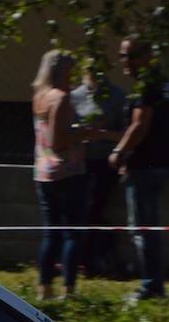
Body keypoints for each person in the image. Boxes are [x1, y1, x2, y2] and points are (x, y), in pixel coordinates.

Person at [30, 50, 111, 303]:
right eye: (70, 70)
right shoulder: (61, 97)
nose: (73, 75)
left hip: (43, 172)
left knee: (51, 234)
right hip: (68, 172)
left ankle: (44, 289)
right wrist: (88, 132)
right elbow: (58, 141)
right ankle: (68, 290)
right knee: (73, 233)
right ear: (59, 71)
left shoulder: (40, 96)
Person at [111, 35, 169, 303]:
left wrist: (119, 152)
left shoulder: (147, 85)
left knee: (142, 228)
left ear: (147, 56)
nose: (125, 61)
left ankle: (151, 286)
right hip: (159, 163)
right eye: (122, 55)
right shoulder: (162, 84)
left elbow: (140, 125)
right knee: (147, 226)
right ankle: (154, 284)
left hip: (145, 165)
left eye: (131, 55)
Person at [71, 56, 130, 277]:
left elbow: (126, 134)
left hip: (105, 161)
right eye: (90, 70)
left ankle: (89, 260)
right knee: (83, 210)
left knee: (92, 208)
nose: (95, 75)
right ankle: (98, 257)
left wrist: (101, 134)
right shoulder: (75, 96)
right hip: (80, 160)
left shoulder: (117, 97)